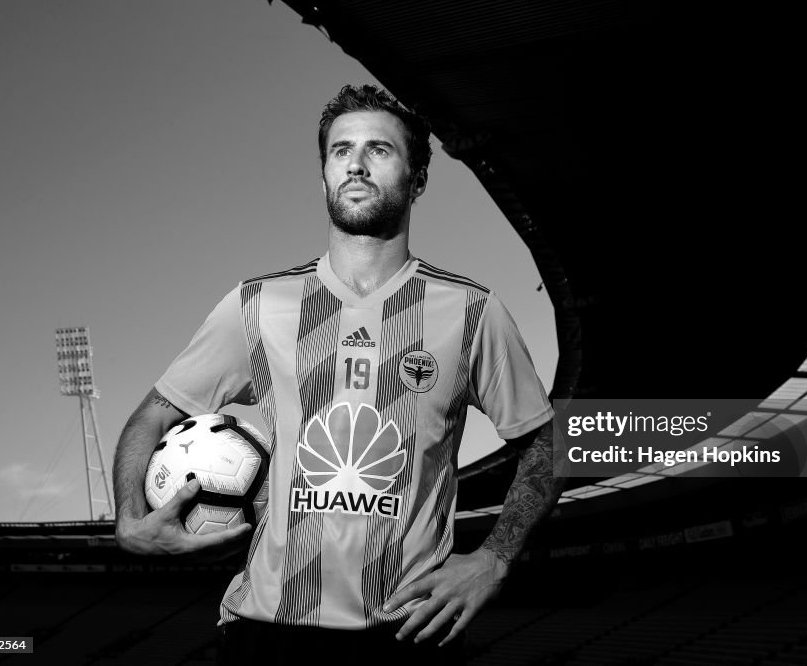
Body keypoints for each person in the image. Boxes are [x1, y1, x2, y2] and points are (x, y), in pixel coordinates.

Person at [113, 84, 563, 665]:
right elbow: (154, 412)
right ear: (324, 175)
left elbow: (548, 442)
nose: (355, 162)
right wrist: (128, 519)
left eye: (379, 150)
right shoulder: (255, 305)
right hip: (266, 636)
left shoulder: (473, 312)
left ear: (418, 179)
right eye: (340, 150)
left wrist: (494, 560)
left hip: (407, 633)